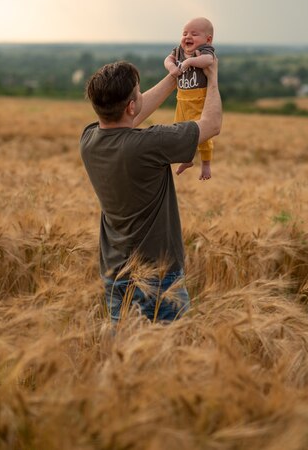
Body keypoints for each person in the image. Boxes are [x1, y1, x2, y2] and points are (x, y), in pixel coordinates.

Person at [80, 57, 222, 323]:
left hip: (114, 272)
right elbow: (212, 124)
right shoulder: (149, 145)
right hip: (158, 275)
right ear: (131, 105)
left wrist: (174, 78)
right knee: (171, 355)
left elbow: (130, 117)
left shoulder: (89, 140)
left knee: (126, 353)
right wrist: (212, 77)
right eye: (138, 92)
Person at [164, 17, 215, 180]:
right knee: (178, 132)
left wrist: (191, 61)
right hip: (182, 101)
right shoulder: (178, 50)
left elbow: (209, 60)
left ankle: (206, 164)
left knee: (202, 136)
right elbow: (168, 60)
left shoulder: (205, 50)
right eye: (185, 33)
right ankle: (187, 159)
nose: (188, 37)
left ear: (208, 39)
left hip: (199, 101)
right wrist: (172, 66)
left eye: (194, 34)